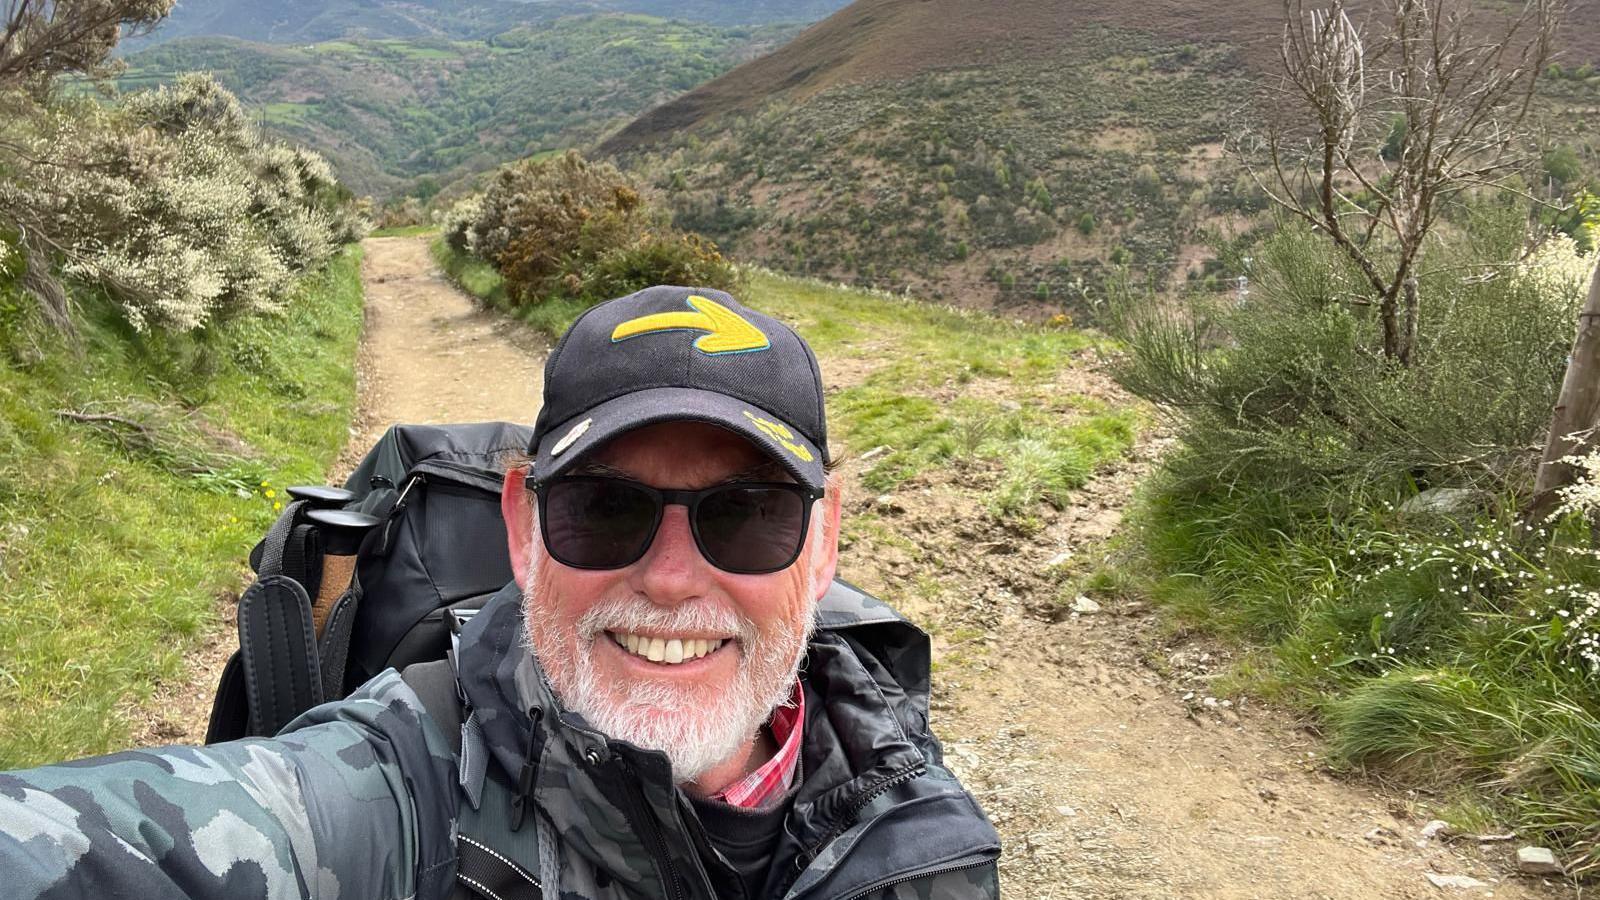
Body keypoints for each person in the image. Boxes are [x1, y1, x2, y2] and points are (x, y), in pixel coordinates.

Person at [0, 286, 1001, 899]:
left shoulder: (910, 807)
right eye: (604, 510)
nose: (666, 578)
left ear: (822, 545)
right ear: (522, 527)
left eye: (744, 515)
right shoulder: (396, 796)